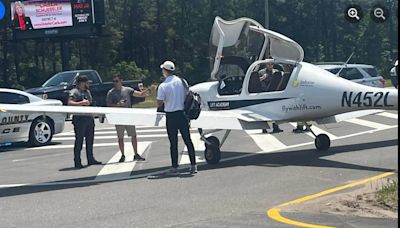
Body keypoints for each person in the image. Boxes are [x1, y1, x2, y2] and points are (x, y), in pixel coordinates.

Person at [156, 60, 197, 175]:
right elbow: (187, 94)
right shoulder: (181, 81)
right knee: (188, 140)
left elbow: (159, 103)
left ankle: (174, 167)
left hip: (171, 115)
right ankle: (193, 165)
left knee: (173, 142)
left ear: (165, 71)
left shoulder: (163, 85)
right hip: (182, 114)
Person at [106, 75, 148, 162]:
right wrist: (118, 105)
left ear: (121, 81)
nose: (115, 83)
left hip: (129, 116)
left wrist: (146, 90)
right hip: (118, 117)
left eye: (116, 81)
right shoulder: (111, 92)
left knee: (133, 135)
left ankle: (136, 154)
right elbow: (108, 105)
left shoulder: (127, 90)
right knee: (120, 137)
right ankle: (122, 155)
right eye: (113, 81)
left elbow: (140, 94)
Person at [68, 75, 101, 169]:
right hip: (79, 119)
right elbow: (70, 103)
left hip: (89, 118)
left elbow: (90, 103)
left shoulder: (87, 92)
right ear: (82, 83)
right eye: (87, 82)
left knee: (90, 140)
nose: (88, 84)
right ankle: (77, 161)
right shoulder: (74, 92)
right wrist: (81, 103)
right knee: (79, 141)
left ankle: (90, 159)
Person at [259, 62, 283, 133]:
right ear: (266, 65)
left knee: (275, 110)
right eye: (269, 64)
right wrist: (263, 78)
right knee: (263, 111)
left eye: (271, 64)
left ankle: (275, 127)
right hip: (264, 92)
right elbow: (256, 81)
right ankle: (264, 128)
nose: (270, 66)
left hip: (273, 92)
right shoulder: (261, 72)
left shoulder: (275, 72)